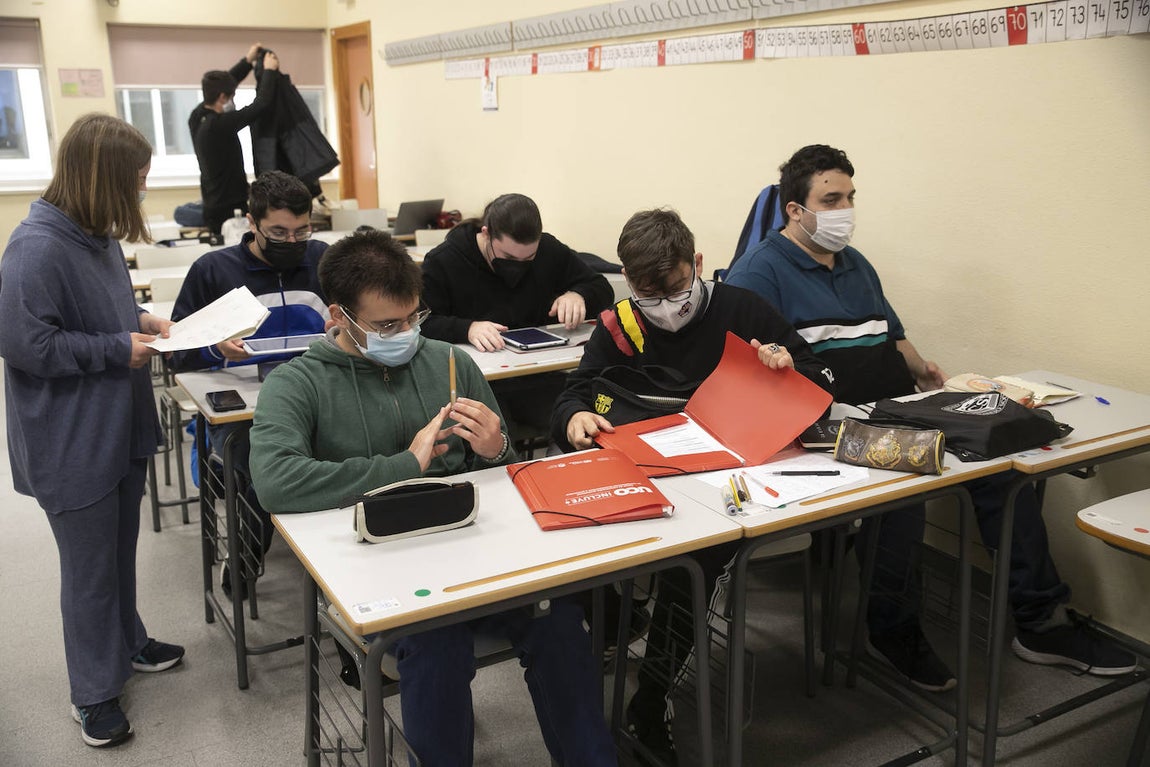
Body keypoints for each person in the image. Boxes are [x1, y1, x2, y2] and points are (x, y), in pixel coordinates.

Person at [724, 143, 1135, 691]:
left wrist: (924, 371)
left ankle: (1040, 623)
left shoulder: (855, 263)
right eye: (831, 198)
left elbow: (891, 331)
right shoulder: (759, 272)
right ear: (795, 210)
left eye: (850, 196)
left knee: (1006, 463)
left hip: (900, 405)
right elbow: (749, 375)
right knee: (907, 487)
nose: (845, 208)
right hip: (829, 424)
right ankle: (892, 628)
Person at [248, 229, 618, 767]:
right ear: (337, 316)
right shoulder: (296, 384)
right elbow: (276, 481)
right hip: (381, 566)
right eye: (386, 326)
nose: (405, 335)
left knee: (559, 618)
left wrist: (497, 448)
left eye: (413, 319)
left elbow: (505, 471)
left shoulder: (449, 361)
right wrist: (406, 466)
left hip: (471, 551)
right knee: (438, 646)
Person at [551, 208, 835, 765]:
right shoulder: (622, 324)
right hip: (654, 474)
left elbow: (820, 373)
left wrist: (785, 364)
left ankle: (650, 697)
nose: (664, 307)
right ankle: (627, 648)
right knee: (642, 554)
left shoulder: (741, 309)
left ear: (698, 264)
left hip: (741, 476)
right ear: (630, 285)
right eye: (647, 295)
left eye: (677, 289)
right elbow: (572, 394)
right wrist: (573, 421)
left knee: (697, 563)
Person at [0, 113, 185, 748]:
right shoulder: (35, 248)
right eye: (134, 182)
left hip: (117, 422)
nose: (139, 193)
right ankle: (93, 693)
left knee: (118, 551)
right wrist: (114, 346)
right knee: (88, 571)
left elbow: (97, 311)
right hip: (71, 438)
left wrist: (143, 320)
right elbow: (27, 345)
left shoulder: (94, 236)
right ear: (101, 179)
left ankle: (128, 642)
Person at [169, 169, 329, 600]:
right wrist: (215, 347)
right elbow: (177, 353)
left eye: (302, 231)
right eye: (278, 231)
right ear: (252, 223)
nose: (292, 242)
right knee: (267, 468)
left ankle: (339, 564)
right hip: (242, 412)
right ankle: (246, 560)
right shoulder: (214, 271)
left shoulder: (323, 261)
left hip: (319, 400)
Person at [420, 193, 614, 441]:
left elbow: (601, 287)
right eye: (509, 258)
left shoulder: (548, 249)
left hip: (537, 376)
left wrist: (579, 295)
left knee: (585, 423)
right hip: (478, 385)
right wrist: (466, 328)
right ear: (486, 233)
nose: (518, 265)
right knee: (498, 438)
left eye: (528, 259)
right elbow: (421, 323)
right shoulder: (444, 261)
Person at [189, 43, 281, 235]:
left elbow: (223, 86)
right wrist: (270, 72)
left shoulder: (197, 117)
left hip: (212, 205)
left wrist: (247, 62)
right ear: (222, 97)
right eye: (232, 95)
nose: (233, 98)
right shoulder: (220, 125)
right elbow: (260, 105)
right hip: (230, 209)